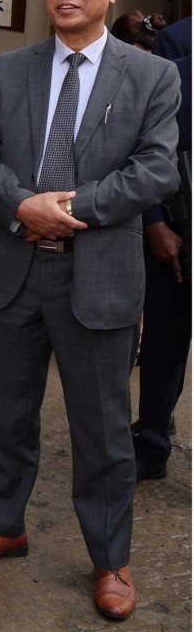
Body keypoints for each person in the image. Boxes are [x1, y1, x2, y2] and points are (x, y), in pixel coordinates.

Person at [0, 0, 179, 623]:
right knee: (7, 416)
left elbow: (157, 168)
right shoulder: (9, 73)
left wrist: (66, 211)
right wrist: (20, 207)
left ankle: (110, 560)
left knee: (102, 430)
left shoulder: (152, 77)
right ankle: (3, 525)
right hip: (15, 272)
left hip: (97, 275)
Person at [130, 49, 189, 482]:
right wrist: (153, 221)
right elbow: (146, 148)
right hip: (177, 232)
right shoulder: (176, 71)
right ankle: (151, 443)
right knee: (164, 342)